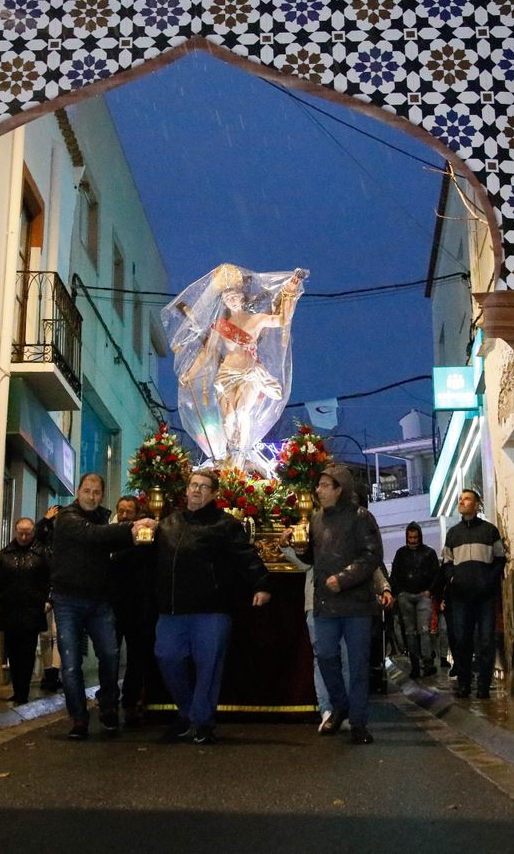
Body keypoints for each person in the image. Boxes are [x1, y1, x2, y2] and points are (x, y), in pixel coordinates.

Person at [153, 469, 272, 745]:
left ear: (214, 493)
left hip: (212, 609)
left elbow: (247, 557)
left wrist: (261, 584)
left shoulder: (225, 524)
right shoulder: (168, 523)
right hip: (172, 610)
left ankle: (202, 722)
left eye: (203, 487)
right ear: (185, 490)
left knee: (209, 667)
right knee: (166, 657)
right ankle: (189, 712)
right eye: (193, 485)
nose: (196, 490)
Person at [165, 265, 306, 470]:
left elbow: (281, 320)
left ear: (242, 297)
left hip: (250, 373)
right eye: (227, 296)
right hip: (226, 375)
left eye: (235, 295)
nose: (231, 298)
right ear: (223, 300)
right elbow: (208, 352)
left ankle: (241, 456)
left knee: (242, 412)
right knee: (228, 418)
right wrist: (191, 373)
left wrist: (289, 292)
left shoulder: (256, 320)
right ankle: (231, 455)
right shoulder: (221, 325)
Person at [51, 472, 155, 739]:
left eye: (97, 492)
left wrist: (142, 532)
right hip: (68, 602)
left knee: (110, 654)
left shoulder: (102, 519)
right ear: (78, 491)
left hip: (99, 601)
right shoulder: (66, 518)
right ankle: (79, 718)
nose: (91, 496)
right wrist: (131, 526)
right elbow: (94, 536)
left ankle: (108, 706)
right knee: (71, 663)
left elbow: (124, 544)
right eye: (87, 491)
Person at [289, 464, 383, 745]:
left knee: (357, 664)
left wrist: (343, 579)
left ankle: (359, 722)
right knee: (326, 656)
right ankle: (340, 705)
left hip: (355, 605)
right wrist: (297, 547)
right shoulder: (316, 519)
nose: (318, 490)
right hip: (325, 604)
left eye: (324, 486)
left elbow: (372, 555)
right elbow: (312, 562)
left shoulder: (361, 517)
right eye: (318, 485)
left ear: (340, 489)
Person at [440, 488, 505, 699]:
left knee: (486, 640)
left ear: (477, 505)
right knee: (462, 641)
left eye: (467, 499)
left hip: (485, 597)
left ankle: (484, 686)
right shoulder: (453, 534)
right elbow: (447, 563)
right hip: (460, 597)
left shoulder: (489, 531)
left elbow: (500, 559)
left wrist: (489, 581)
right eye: (460, 499)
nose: (462, 501)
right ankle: (464, 684)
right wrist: (452, 579)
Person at [0, 517, 50, 705]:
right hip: (11, 608)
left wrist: (49, 600)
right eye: (20, 532)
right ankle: (17, 689)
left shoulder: (42, 554)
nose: (23, 536)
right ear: (15, 531)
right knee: (12, 652)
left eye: (27, 533)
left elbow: (51, 578)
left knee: (27, 651)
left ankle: (23, 691)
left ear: (33, 533)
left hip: (32, 608)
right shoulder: (5, 554)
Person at [110, 495, 158, 726]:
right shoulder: (111, 535)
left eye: (130, 510)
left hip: (138, 607)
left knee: (136, 658)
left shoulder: (144, 535)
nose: (125, 514)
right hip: (114, 605)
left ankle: (129, 702)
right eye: (121, 510)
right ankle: (109, 701)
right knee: (110, 655)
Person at [390, 522, 441, 679]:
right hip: (408, 596)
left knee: (421, 631)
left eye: (415, 537)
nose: (412, 540)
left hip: (420, 595)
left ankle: (424, 663)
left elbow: (436, 574)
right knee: (412, 632)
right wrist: (399, 593)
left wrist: (429, 591)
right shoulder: (404, 553)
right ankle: (418, 663)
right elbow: (395, 575)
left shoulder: (427, 553)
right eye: (410, 537)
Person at [34, 503, 62, 692]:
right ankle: (48, 671)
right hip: (42, 589)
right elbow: (36, 536)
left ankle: (53, 673)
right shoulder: (43, 541)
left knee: (56, 633)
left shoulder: (64, 540)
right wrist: (45, 520)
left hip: (60, 589)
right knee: (45, 634)